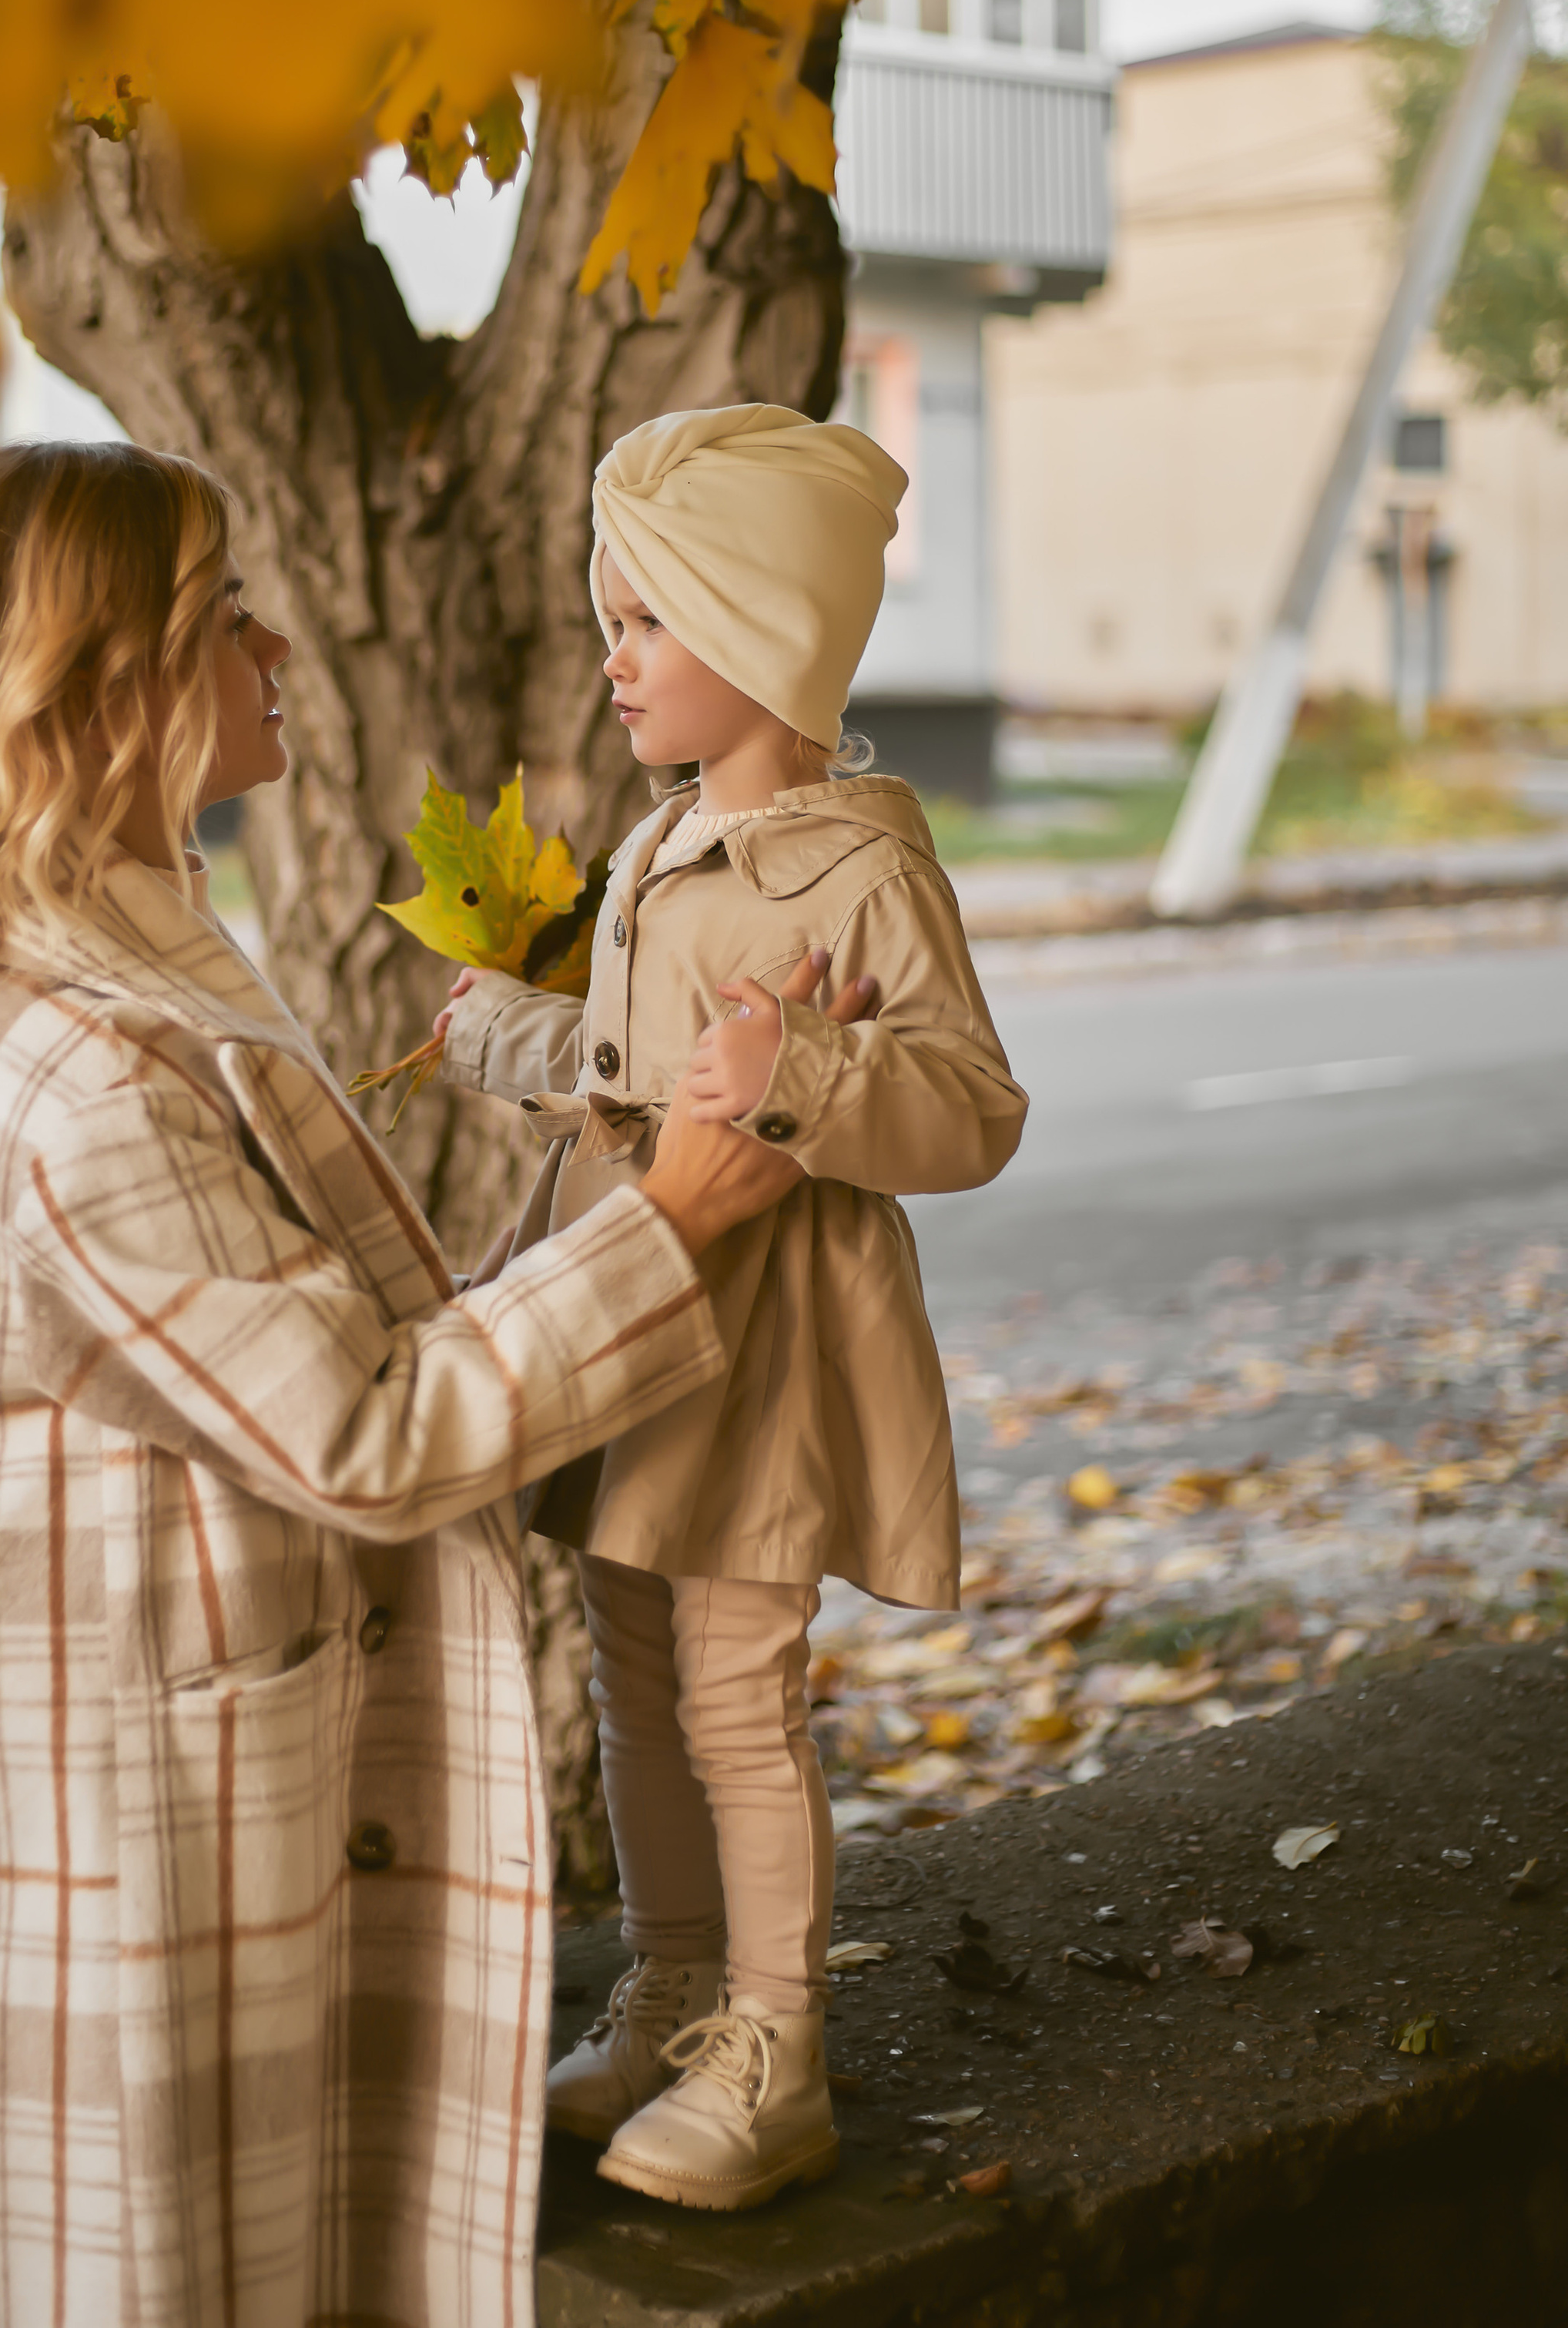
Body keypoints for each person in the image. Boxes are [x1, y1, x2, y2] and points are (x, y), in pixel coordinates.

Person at [0, 438, 819, 2328]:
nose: (275, 640)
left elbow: (281, 1347)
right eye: (219, 613)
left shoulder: (115, 946)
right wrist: (667, 1220)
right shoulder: (81, 1063)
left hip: (151, 1774)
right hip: (115, 1847)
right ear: (103, 683)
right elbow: (356, 1430)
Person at [435, 403, 1028, 2212]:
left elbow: (970, 1108)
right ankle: (676, 1992)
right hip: (633, 1313)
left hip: (765, 1343)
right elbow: (642, 1066)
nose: (610, 661)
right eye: (608, 623)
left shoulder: (859, 867)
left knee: (733, 1687)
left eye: (644, 624)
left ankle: (774, 2050)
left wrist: (809, 1072)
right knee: (627, 1666)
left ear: (759, 634)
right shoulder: (653, 843)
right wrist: (514, 1040)